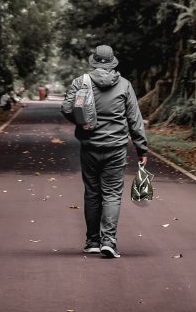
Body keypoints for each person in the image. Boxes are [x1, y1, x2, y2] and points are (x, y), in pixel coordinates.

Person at [61, 44, 148, 259]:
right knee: (111, 194)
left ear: (93, 61)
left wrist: (82, 123)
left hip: (89, 146)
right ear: (113, 63)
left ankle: (92, 242)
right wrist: (141, 148)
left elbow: (66, 108)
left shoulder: (80, 82)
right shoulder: (125, 85)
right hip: (116, 148)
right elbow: (135, 120)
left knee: (92, 192)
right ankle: (109, 241)